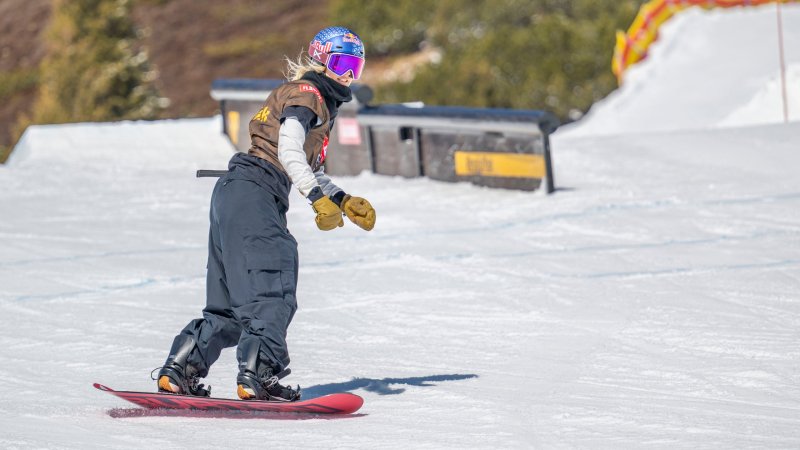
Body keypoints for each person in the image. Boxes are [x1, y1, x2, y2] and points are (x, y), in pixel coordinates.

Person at [154, 26, 375, 402]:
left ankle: (181, 369)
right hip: (255, 191)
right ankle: (259, 376)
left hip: (235, 191)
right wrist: (315, 198)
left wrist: (340, 198)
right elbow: (289, 152)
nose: (348, 76)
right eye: (341, 64)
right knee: (273, 290)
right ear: (321, 60)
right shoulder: (309, 96)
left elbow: (306, 165)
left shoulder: (311, 99)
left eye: (356, 67)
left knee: (229, 307)